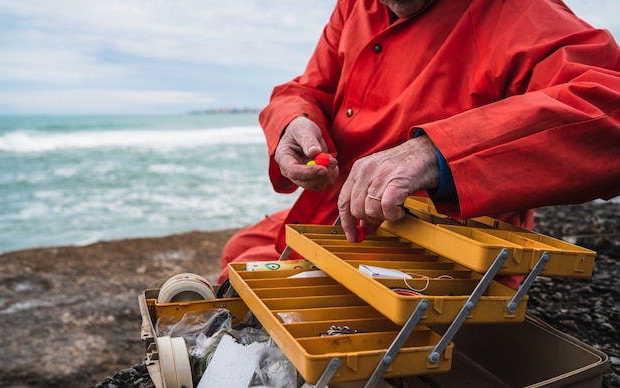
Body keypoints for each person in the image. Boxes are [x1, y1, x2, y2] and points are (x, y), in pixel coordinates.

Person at [217, 0, 620, 286]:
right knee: (242, 252)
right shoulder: (353, 7)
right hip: (338, 219)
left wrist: (438, 153)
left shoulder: (519, 11)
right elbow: (312, 86)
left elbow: (608, 106)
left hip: (440, 253)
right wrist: (293, 121)